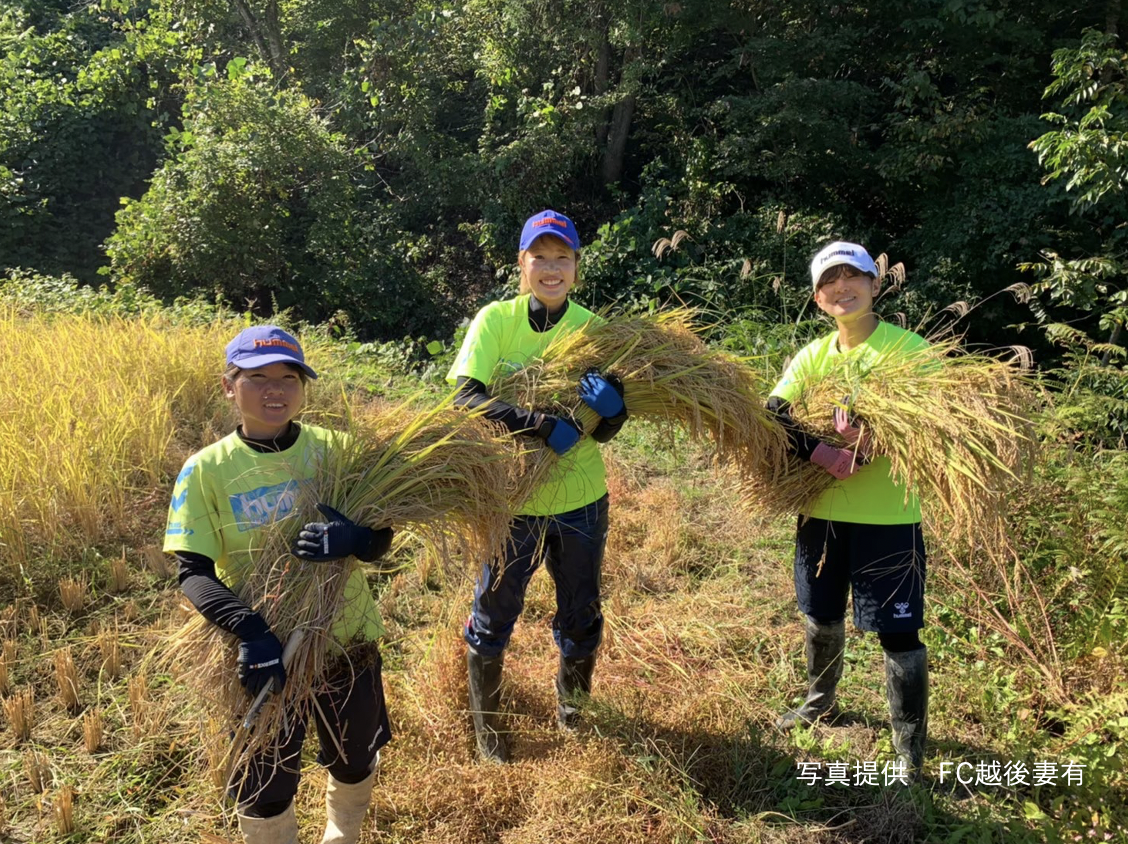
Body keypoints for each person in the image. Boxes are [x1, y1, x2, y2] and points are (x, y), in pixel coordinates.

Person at [164, 325, 394, 844]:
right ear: (229, 386)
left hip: (345, 638)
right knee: (264, 782)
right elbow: (193, 572)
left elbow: (382, 539)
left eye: (289, 378)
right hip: (260, 653)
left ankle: (342, 834)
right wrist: (252, 633)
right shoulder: (205, 470)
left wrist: (356, 537)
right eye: (257, 377)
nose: (275, 390)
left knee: (355, 757)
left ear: (304, 386)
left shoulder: (338, 450)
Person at [447, 210, 628, 763]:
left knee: (581, 607)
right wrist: (538, 423)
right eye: (539, 257)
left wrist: (613, 409)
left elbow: (612, 425)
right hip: (512, 500)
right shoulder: (495, 321)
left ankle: (573, 711)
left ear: (575, 266)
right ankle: (489, 730)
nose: (551, 268)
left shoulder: (595, 330)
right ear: (521, 264)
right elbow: (465, 398)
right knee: (496, 607)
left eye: (562, 258)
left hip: (581, 499)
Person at [767, 241, 930, 782]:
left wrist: (872, 441)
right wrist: (820, 451)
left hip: (889, 517)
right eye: (829, 281)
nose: (842, 287)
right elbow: (773, 414)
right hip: (821, 512)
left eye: (852, 276)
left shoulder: (909, 350)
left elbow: (934, 427)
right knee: (820, 613)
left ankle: (908, 748)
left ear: (875, 284)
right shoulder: (813, 357)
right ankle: (820, 702)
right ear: (818, 298)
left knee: (898, 634)